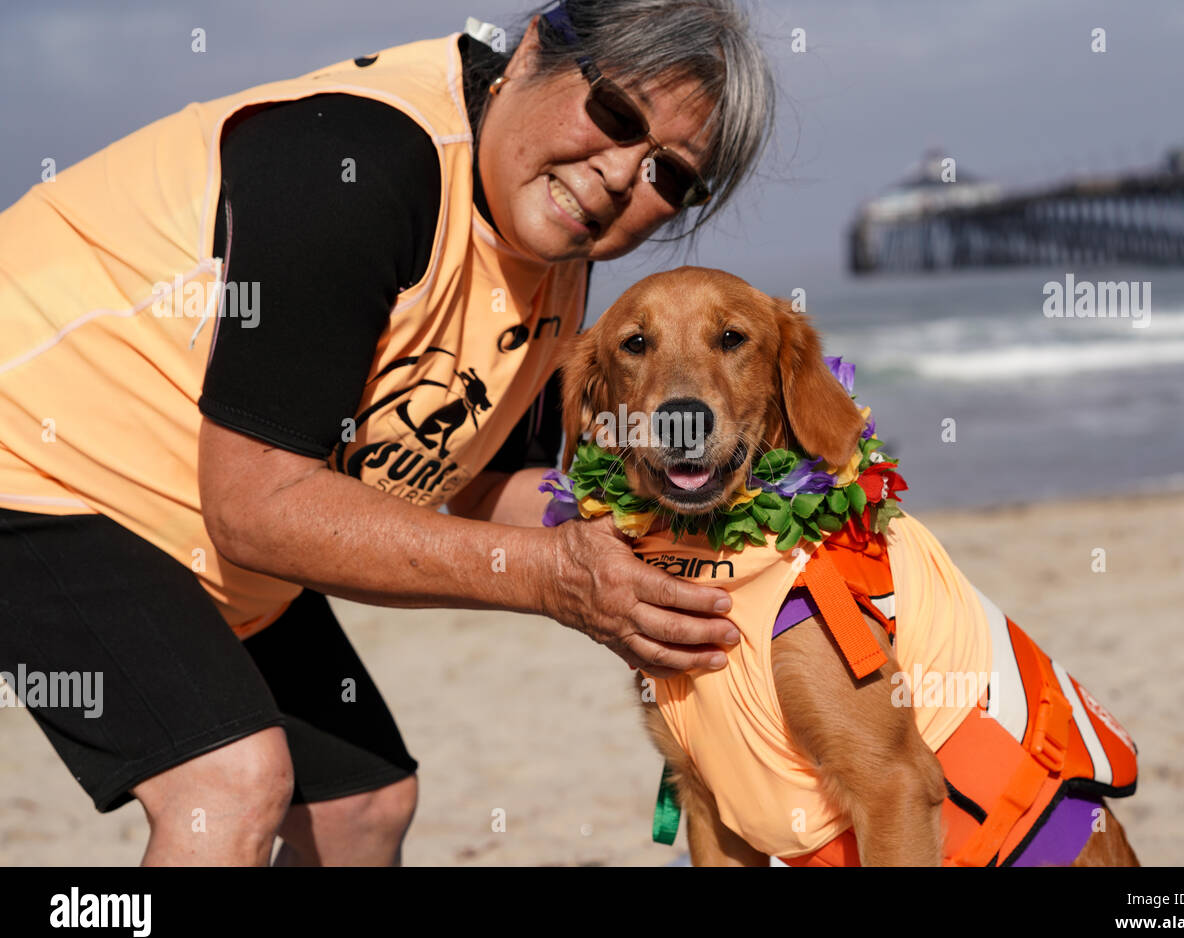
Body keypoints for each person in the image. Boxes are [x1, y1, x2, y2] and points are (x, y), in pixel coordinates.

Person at [0, 0, 775, 865]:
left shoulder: (554, 253)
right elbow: (257, 503)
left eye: (669, 175)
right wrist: (554, 579)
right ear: (530, 53)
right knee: (227, 781)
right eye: (617, 114)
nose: (619, 175)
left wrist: (677, 545)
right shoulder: (361, 163)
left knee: (362, 806)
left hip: (195, 533)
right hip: (33, 454)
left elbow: (490, 489)